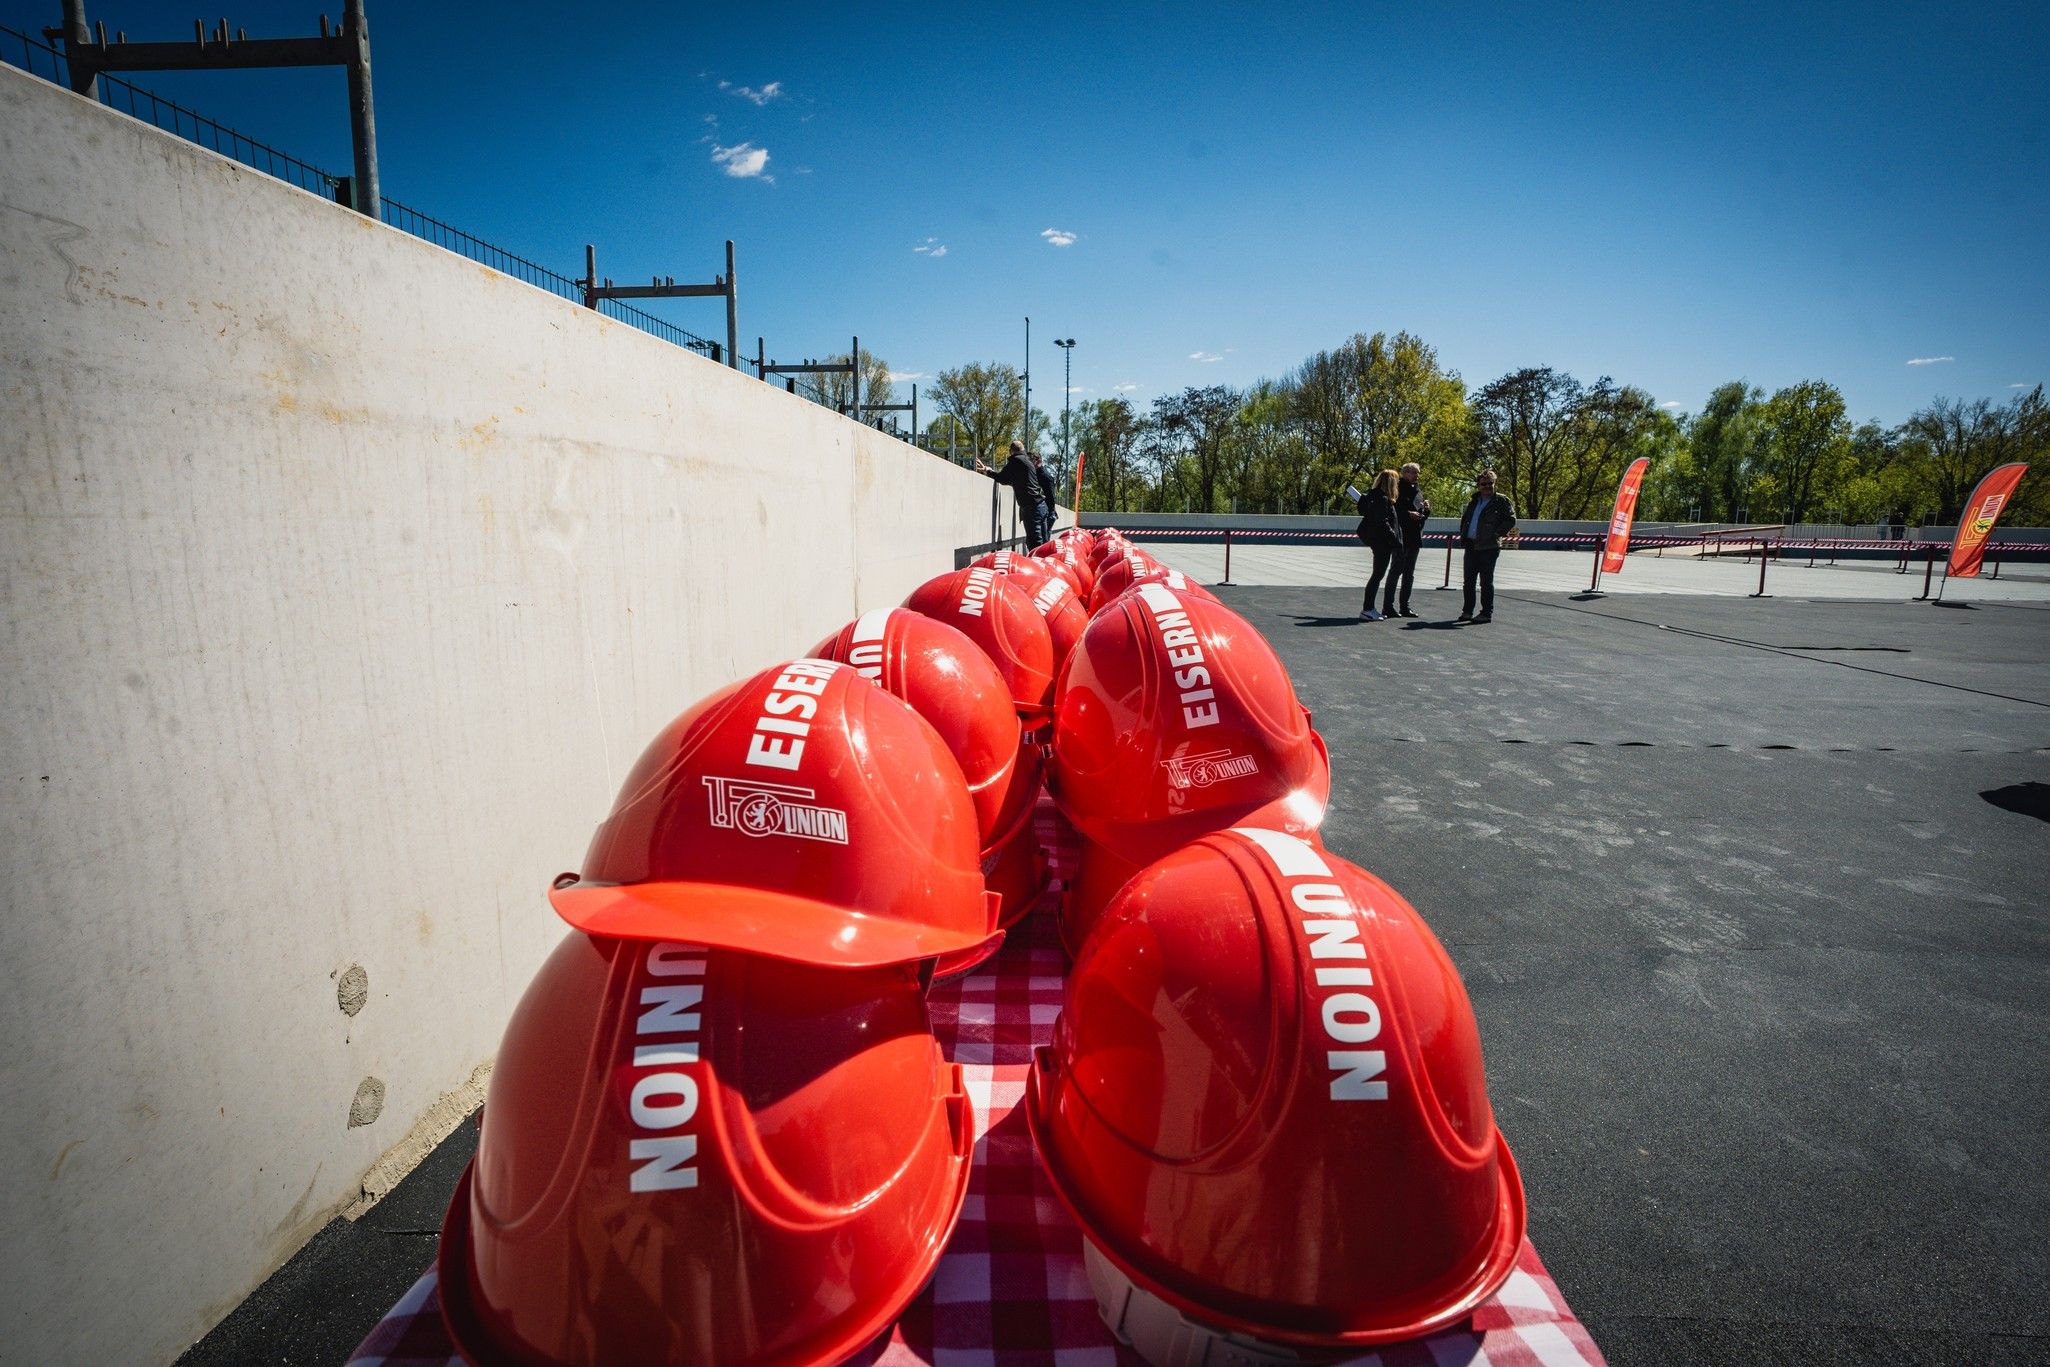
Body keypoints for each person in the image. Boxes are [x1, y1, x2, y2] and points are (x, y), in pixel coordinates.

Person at [1456, 469, 1518, 623]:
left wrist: (1496, 533)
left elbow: (1511, 519)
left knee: (1486, 582)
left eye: (1490, 483)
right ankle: (1467, 611)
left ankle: (1486, 613)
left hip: (1489, 546)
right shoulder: (1474, 501)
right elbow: (1466, 519)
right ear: (1478, 485)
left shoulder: (1501, 500)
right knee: (1468, 581)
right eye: (1484, 484)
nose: (1487, 486)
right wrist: (1463, 535)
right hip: (1471, 544)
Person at [975, 440, 1048, 547]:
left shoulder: (1015, 461)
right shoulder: (1028, 461)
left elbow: (1002, 478)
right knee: (1045, 544)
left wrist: (988, 470)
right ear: (1023, 449)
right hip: (1041, 505)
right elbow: (1015, 480)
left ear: (1011, 451)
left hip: (1031, 507)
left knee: (1035, 544)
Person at [1351, 470, 1401, 620]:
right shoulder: (1383, 499)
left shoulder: (1372, 496)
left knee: (1377, 575)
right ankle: (1368, 609)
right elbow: (1382, 522)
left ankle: (1369, 608)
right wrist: (1394, 540)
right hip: (1382, 542)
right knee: (1377, 575)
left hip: (1376, 540)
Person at [1384, 462, 1431, 618]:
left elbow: (1421, 516)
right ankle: (1388, 606)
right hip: (1401, 536)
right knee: (1396, 570)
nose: (1417, 475)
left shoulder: (1417, 490)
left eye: (1418, 472)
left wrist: (1426, 510)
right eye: (1413, 472)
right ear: (1404, 473)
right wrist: (1408, 514)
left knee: (1409, 574)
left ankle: (1405, 606)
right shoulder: (1397, 488)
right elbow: (1392, 511)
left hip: (1414, 537)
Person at [1030, 450, 1059, 546]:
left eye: (1031, 460)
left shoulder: (1044, 476)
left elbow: (1051, 497)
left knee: (1043, 542)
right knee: (1039, 541)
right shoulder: (1036, 474)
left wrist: (1050, 512)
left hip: (1047, 513)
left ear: (1038, 460)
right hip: (1044, 512)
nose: (1029, 463)